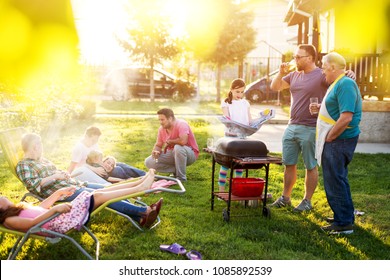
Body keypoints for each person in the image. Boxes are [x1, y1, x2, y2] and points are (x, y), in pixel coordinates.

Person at [270, 44, 355, 212]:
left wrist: (350, 73)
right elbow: (275, 87)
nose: (295, 60)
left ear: (309, 58)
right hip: (291, 125)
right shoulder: (294, 75)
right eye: (295, 56)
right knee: (289, 164)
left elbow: (339, 79)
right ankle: (285, 198)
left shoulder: (321, 74)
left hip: (311, 127)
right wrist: (281, 72)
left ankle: (307, 201)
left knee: (310, 165)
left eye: (298, 57)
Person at [16, 133, 162, 228]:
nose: (42, 147)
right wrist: (55, 177)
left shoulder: (43, 160)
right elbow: (34, 186)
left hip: (71, 184)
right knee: (103, 196)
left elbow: (55, 174)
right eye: (40, 144)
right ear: (35, 146)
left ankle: (141, 207)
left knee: (106, 190)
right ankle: (143, 208)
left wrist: (61, 174)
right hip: (61, 192)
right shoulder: (24, 165)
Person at [0, 169, 160, 233]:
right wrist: (54, 210)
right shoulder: (9, 220)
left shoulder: (17, 209)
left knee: (98, 192)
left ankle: (139, 184)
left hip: (59, 217)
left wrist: (57, 193)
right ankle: (139, 189)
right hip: (60, 223)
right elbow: (30, 225)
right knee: (97, 196)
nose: (2, 196)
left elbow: (40, 208)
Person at [314, 52, 362, 234]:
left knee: (335, 180)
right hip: (337, 140)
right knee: (337, 178)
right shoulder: (339, 83)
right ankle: (344, 216)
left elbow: (346, 117)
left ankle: (343, 224)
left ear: (333, 67)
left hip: (339, 140)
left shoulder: (346, 84)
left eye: (324, 66)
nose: (322, 70)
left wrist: (330, 137)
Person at [68, 126, 146, 184]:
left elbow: (100, 157)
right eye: (93, 140)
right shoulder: (79, 148)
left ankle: (145, 175)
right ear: (86, 136)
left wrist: (106, 162)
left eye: (97, 140)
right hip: (93, 171)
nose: (95, 142)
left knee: (119, 164)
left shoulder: (94, 144)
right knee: (117, 169)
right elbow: (74, 167)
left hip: (99, 166)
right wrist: (68, 178)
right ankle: (133, 181)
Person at [144, 108, 199, 182]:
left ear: (170, 118)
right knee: (149, 161)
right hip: (173, 153)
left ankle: (181, 178)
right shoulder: (161, 129)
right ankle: (176, 170)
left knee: (178, 148)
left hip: (189, 154)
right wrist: (156, 151)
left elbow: (183, 141)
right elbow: (158, 144)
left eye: (162, 120)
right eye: (159, 120)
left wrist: (170, 141)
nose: (160, 122)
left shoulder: (181, 124)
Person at [218, 78, 249, 192]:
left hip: (242, 137)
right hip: (230, 137)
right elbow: (227, 117)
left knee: (239, 165)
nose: (239, 94)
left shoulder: (245, 103)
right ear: (231, 90)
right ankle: (222, 191)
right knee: (226, 165)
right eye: (237, 92)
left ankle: (237, 190)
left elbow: (249, 120)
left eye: (242, 92)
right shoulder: (226, 102)